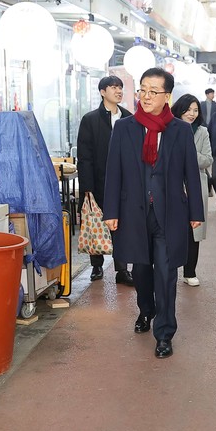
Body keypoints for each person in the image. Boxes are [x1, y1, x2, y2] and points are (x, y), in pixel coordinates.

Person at [103, 67, 204, 359]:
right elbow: (114, 172)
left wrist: (196, 212)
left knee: (166, 272)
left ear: (167, 96)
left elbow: (190, 174)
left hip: (170, 213)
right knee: (141, 270)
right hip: (133, 212)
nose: (146, 96)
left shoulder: (180, 130)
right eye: (143, 90)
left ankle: (165, 333)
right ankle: (146, 309)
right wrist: (111, 211)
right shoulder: (125, 128)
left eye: (153, 91)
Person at [76, 75, 134, 286]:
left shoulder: (128, 117)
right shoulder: (90, 119)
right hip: (99, 180)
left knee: (122, 224)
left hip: (124, 182)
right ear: (102, 92)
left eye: (120, 87)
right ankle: (96, 265)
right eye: (113, 87)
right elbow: (85, 156)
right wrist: (87, 187)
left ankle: (122, 269)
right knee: (96, 222)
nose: (118, 91)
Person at [170, 94, 213, 287]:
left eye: (195, 110)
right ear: (179, 110)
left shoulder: (202, 131)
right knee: (172, 228)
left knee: (193, 229)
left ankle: (190, 271)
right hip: (173, 185)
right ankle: (169, 269)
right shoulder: (169, 129)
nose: (192, 114)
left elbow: (207, 160)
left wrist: (188, 151)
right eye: (188, 110)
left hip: (196, 184)